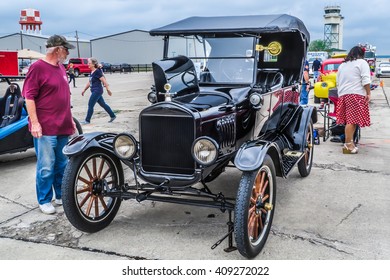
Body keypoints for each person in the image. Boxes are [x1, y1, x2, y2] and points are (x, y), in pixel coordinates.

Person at [22, 35, 76, 214]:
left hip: (62, 126)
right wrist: (35, 123)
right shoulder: (38, 68)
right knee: (46, 166)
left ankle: (60, 195)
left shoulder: (60, 67)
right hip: (45, 127)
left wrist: (71, 121)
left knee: (62, 164)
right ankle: (44, 200)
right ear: (57, 49)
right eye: (66, 49)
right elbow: (29, 97)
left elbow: (64, 97)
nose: (68, 52)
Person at [336, 46, 371, 154]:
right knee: (352, 121)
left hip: (343, 95)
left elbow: (338, 81)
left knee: (350, 121)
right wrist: (368, 92)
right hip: (355, 94)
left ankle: (350, 143)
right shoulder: (362, 63)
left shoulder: (342, 65)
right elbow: (365, 79)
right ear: (361, 54)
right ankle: (348, 145)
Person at [80, 57, 116, 124]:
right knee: (103, 104)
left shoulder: (97, 71)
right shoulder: (92, 71)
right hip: (95, 90)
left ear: (93, 64)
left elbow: (104, 81)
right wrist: (84, 90)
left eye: (89, 63)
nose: (88, 64)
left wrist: (108, 90)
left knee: (90, 104)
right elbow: (90, 82)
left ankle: (87, 120)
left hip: (97, 91)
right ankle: (113, 116)